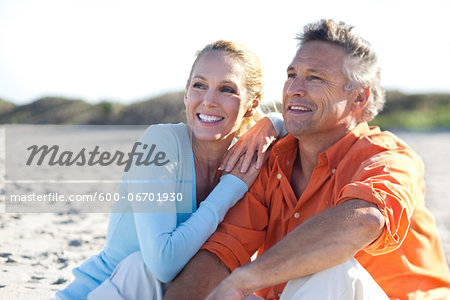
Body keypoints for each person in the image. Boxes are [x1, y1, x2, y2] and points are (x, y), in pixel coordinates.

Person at [164, 19, 450, 300]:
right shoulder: (273, 158)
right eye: (291, 75)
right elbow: (222, 253)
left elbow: (365, 220)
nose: (294, 89)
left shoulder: (388, 158)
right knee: (147, 273)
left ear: (359, 99)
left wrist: (243, 280)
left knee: (333, 270)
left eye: (315, 77)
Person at [54, 40, 284, 300]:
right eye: (199, 85)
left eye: (226, 89)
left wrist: (272, 123)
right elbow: (163, 263)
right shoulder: (159, 144)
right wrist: (230, 188)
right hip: (106, 292)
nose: (209, 100)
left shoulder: (245, 156)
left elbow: (304, 130)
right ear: (186, 93)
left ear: (252, 104)